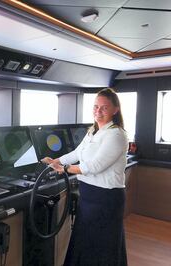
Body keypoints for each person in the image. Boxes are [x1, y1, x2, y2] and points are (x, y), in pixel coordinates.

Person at [42, 88, 128, 266]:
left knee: (102, 246)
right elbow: (76, 153)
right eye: (96, 107)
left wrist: (65, 169)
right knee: (84, 243)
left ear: (115, 110)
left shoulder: (117, 135)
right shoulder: (93, 132)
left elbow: (94, 167)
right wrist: (54, 161)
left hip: (106, 199)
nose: (98, 111)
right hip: (89, 197)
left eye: (104, 108)